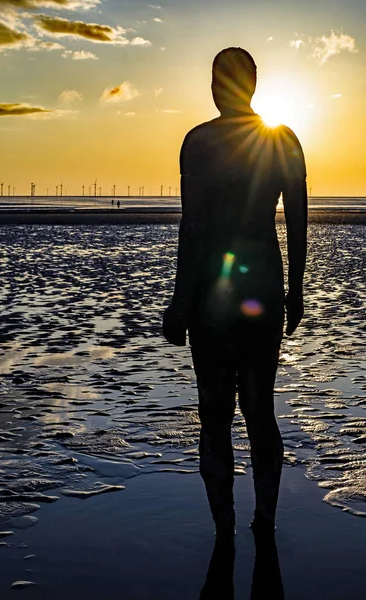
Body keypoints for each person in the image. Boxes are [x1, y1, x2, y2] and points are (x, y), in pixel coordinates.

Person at [163, 47, 307, 538]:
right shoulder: (282, 139)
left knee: (216, 412)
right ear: (253, 84)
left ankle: (225, 526)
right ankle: (261, 519)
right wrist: (296, 289)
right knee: (259, 408)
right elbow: (298, 221)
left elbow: (194, 228)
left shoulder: (199, 142)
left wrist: (181, 301)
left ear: (219, 86)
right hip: (264, 285)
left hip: (213, 295)